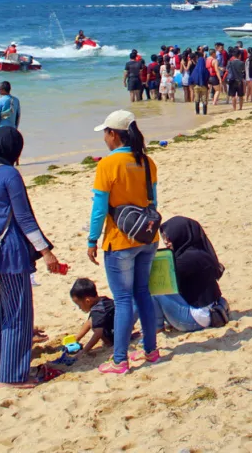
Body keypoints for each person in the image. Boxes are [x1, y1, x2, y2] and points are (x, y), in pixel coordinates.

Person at [0, 127, 60, 387]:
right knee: (18, 315)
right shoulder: (10, 175)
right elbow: (24, 218)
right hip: (10, 256)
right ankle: (13, 376)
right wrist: (46, 251)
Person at [87, 110, 159, 375]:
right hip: (147, 236)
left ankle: (120, 360)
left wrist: (92, 239)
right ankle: (151, 350)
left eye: (106, 133)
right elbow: (154, 201)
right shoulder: (147, 162)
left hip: (120, 240)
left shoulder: (107, 165)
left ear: (114, 134)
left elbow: (99, 207)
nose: (104, 138)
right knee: (143, 294)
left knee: (123, 299)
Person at [152, 217, 229, 333]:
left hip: (196, 319)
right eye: (164, 238)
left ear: (179, 235)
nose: (166, 241)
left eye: (168, 237)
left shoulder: (185, 260)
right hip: (212, 308)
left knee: (155, 289)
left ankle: (156, 327)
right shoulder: (199, 252)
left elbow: (164, 282)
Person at [69, 278, 116, 354]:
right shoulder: (103, 300)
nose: (79, 308)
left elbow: (98, 334)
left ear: (87, 301)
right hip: (122, 330)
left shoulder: (97, 311)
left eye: (79, 305)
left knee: (94, 324)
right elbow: (89, 322)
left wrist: (85, 351)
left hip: (115, 336)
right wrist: (77, 338)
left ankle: (109, 343)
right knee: (93, 321)